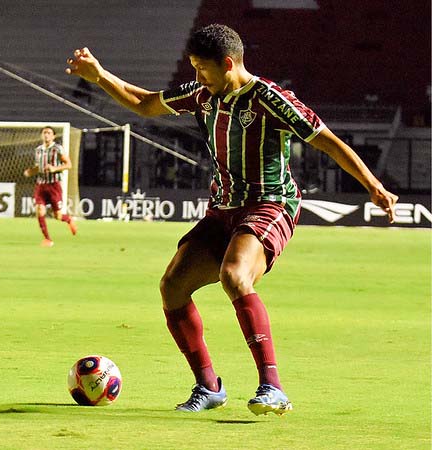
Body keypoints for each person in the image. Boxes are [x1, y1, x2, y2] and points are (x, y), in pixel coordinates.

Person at [66, 24, 398, 416]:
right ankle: (209, 387)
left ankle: (272, 387)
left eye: (202, 68)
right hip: (222, 207)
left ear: (227, 64)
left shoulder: (270, 98)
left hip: (270, 204)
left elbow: (327, 140)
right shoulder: (201, 95)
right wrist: (100, 76)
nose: (196, 77)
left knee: (234, 275)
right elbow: (145, 103)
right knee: (172, 285)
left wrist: (373, 186)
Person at [22, 126, 78, 247]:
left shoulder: (57, 149)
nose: (46, 135)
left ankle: (69, 220)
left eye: (49, 133)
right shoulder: (38, 150)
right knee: (39, 210)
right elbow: (39, 167)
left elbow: (68, 165)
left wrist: (54, 169)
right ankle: (47, 239)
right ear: (42, 135)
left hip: (54, 185)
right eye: (44, 133)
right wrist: (30, 171)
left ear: (53, 136)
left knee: (57, 215)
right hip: (41, 185)